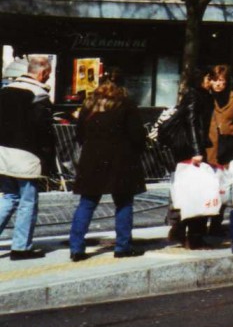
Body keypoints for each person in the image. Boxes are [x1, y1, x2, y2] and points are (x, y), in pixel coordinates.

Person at [67, 70, 146, 261]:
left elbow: (79, 134)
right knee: (124, 202)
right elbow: (137, 135)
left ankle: (76, 248)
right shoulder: (126, 104)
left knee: (87, 203)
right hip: (121, 159)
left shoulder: (89, 105)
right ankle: (122, 247)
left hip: (92, 159)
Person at [0, 56, 54, 260]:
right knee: (28, 201)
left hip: (3, 152)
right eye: (48, 74)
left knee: (9, 197)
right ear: (42, 73)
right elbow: (44, 131)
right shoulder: (39, 95)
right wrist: (47, 159)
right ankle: (21, 247)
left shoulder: (5, 91)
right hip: (27, 155)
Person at [167, 68, 214, 249]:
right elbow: (192, 123)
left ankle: (182, 231)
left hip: (193, 149)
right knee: (197, 192)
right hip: (191, 151)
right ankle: (193, 236)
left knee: (191, 192)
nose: (210, 81)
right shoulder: (195, 96)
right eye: (208, 78)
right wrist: (197, 150)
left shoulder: (202, 95)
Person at [204, 65, 233, 235]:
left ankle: (216, 223)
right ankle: (202, 222)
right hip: (207, 149)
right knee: (207, 187)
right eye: (215, 80)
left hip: (225, 150)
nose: (218, 84)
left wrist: (229, 133)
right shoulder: (205, 97)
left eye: (222, 81)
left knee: (222, 188)